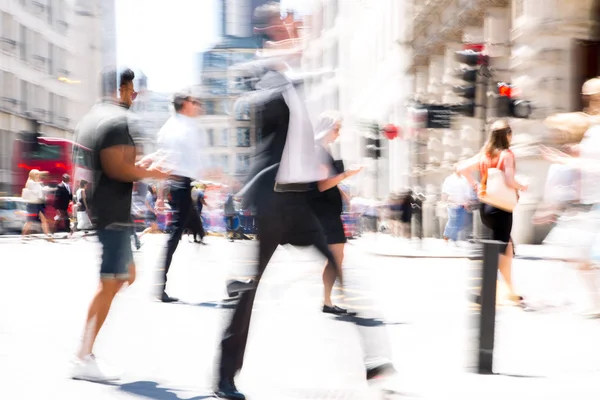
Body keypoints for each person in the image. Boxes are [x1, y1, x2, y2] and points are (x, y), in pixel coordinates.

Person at [215, 5, 394, 399]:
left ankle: (374, 364)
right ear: (268, 32)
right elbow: (256, 106)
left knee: (340, 268)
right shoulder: (263, 75)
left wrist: (324, 140)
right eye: (285, 21)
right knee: (251, 288)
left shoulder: (297, 80)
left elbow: (301, 144)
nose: (293, 26)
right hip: (272, 199)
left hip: (299, 202)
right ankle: (224, 376)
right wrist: (284, 62)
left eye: (293, 21)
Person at [71, 67, 168, 382]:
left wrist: (138, 166)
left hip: (107, 212)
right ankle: (83, 357)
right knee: (111, 282)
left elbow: (108, 164)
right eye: (131, 90)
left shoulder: (94, 118)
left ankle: (84, 353)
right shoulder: (116, 121)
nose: (134, 96)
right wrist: (153, 173)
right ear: (122, 90)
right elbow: (116, 168)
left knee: (126, 275)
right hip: (112, 215)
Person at [137, 88, 205, 303]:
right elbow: (173, 162)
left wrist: (160, 194)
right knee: (174, 236)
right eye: (195, 102)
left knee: (196, 229)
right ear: (185, 104)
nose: (198, 106)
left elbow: (163, 160)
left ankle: (221, 275)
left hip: (181, 186)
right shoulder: (184, 129)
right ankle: (159, 287)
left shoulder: (169, 127)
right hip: (182, 186)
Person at [458, 120, 527, 305]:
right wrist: (523, 186)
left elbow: (461, 168)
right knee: (500, 249)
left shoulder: (485, 155)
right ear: (507, 135)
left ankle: (511, 291)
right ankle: (484, 291)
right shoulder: (507, 155)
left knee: (508, 248)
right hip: (501, 208)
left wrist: (476, 185)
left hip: (486, 207)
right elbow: (510, 180)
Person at [310, 111, 362, 315]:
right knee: (335, 256)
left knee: (336, 256)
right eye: (336, 129)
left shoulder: (322, 149)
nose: (338, 133)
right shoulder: (317, 150)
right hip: (323, 212)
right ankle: (328, 301)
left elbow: (328, 183)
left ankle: (328, 299)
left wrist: (343, 194)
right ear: (327, 128)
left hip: (328, 211)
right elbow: (322, 185)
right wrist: (347, 174)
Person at [441, 167, 472, 243]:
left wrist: (467, 201)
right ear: (455, 169)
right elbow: (444, 191)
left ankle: (453, 238)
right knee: (452, 221)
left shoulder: (464, 180)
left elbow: (467, 192)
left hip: (461, 204)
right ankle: (448, 236)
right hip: (452, 204)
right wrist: (443, 201)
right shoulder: (449, 179)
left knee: (460, 222)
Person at [21, 169, 53, 241]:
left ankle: (47, 235)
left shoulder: (37, 183)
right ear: (32, 175)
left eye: (38, 174)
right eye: (36, 174)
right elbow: (36, 189)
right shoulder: (30, 182)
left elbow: (41, 191)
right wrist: (42, 173)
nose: (38, 176)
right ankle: (23, 236)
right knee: (29, 221)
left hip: (39, 203)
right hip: (32, 204)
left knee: (44, 220)